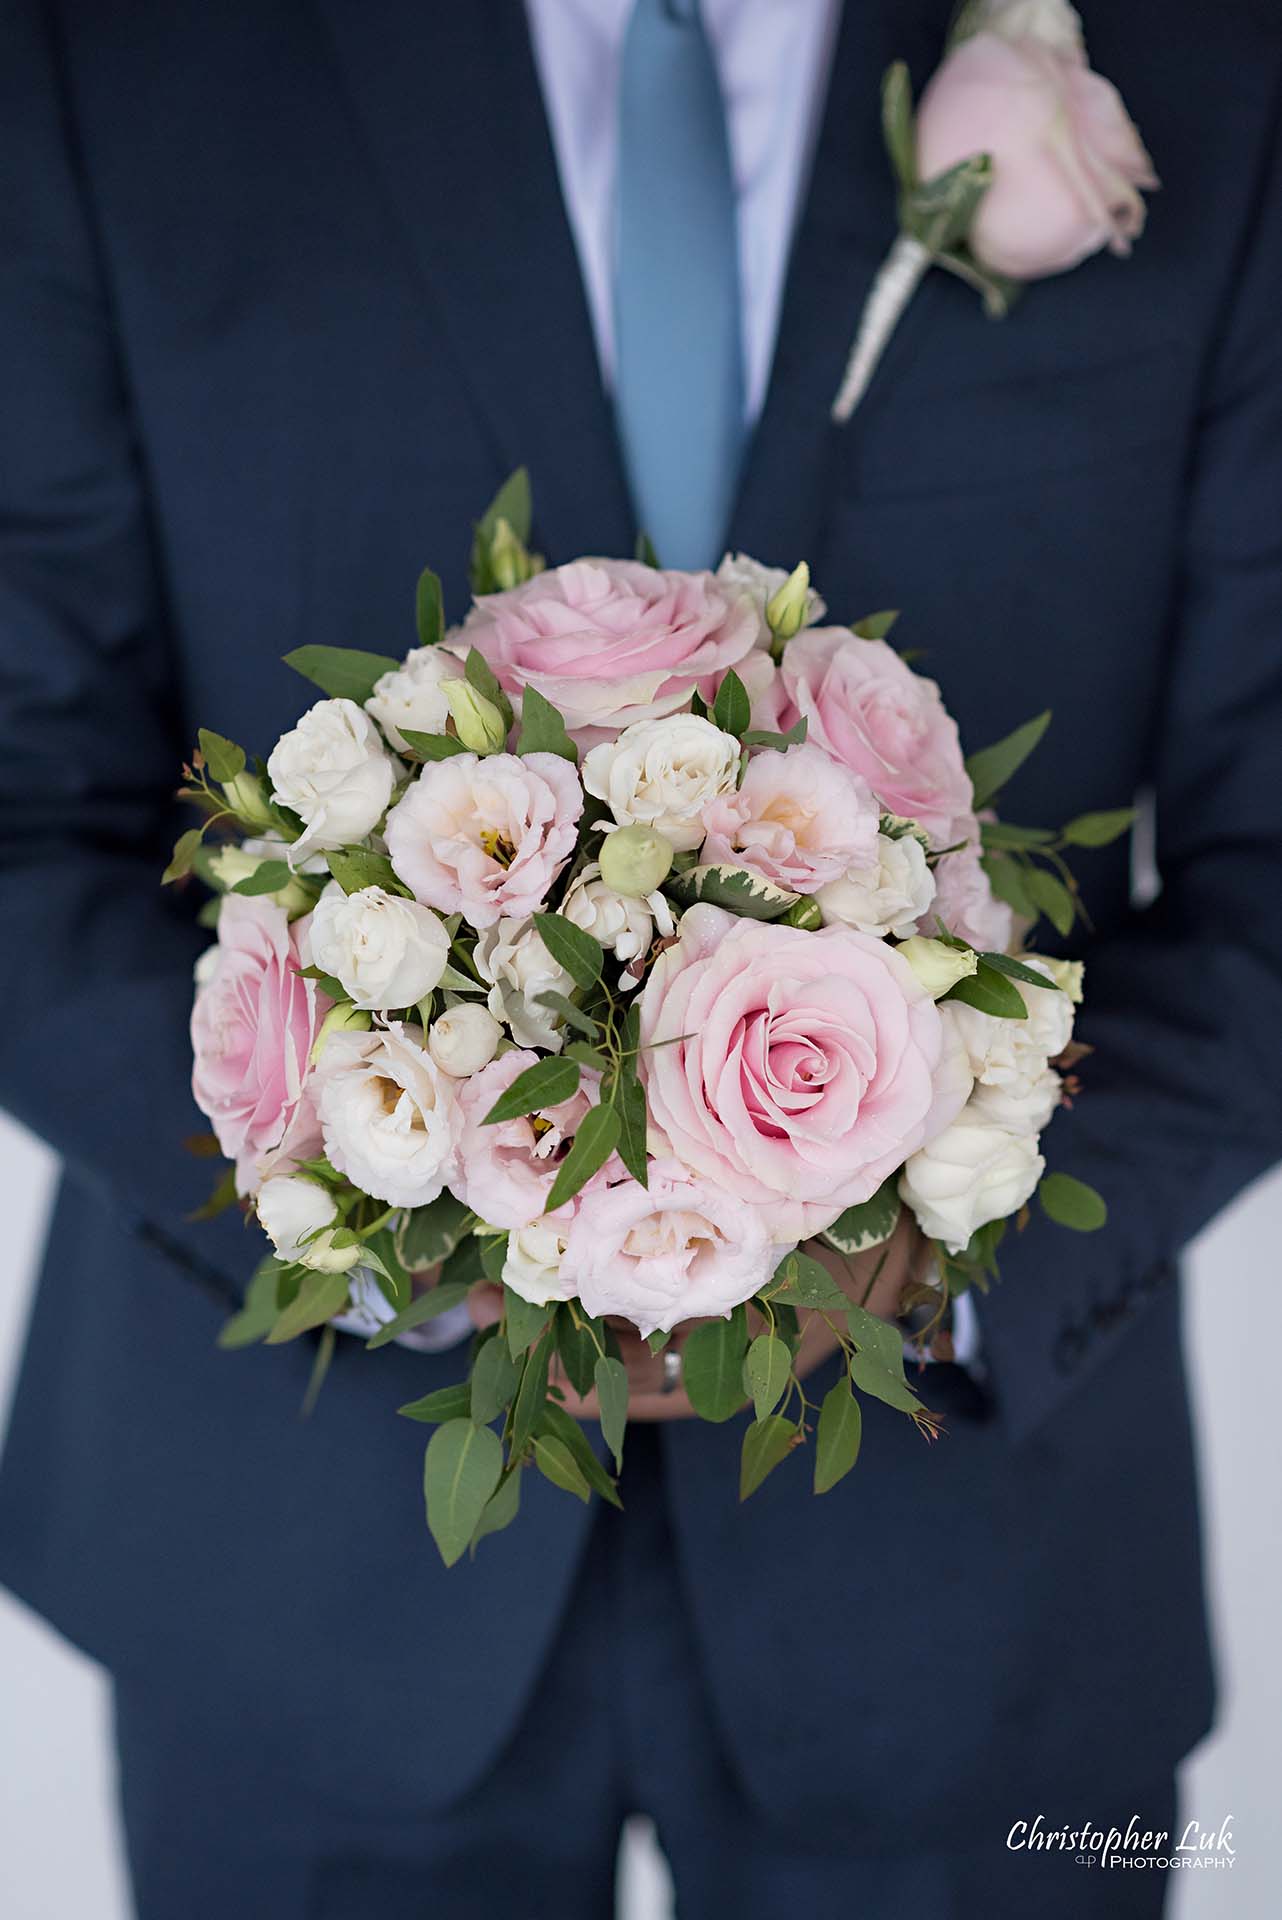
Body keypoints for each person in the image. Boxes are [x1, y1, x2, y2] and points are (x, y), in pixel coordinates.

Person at [1, 3, 1280, 1915]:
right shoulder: (121, 52)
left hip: (969, 1607)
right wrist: (376, 1200)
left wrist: (941, 1231)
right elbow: (25, 808)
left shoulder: (1205, 59)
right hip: (295, 1585)